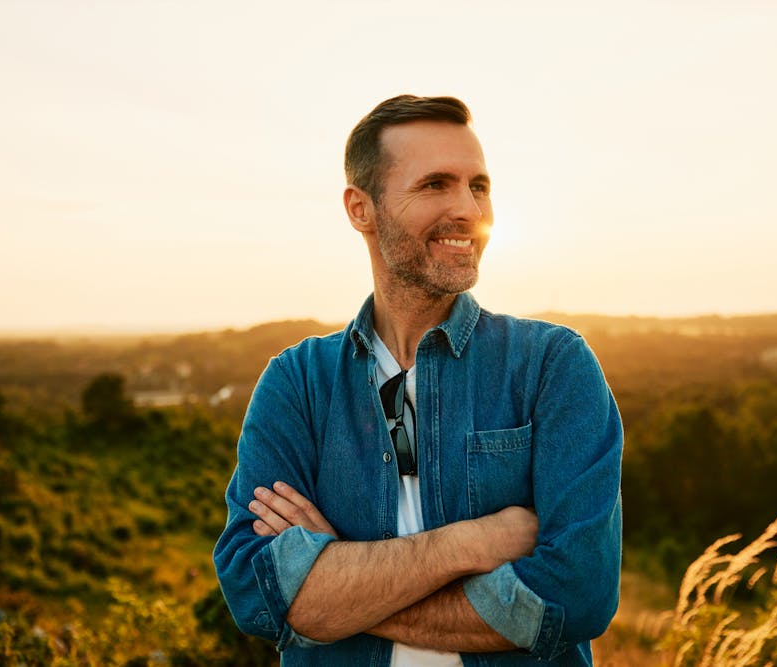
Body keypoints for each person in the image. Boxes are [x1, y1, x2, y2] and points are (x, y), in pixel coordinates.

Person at [213, 94, 623, 666]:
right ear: (362, 208)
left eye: (478, 186)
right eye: (435, 184)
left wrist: (330, 588)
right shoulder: (297, 384)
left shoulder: (552, 366)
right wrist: (469, 544)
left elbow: (576, 594)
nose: (469, 209)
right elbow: (256, 592)